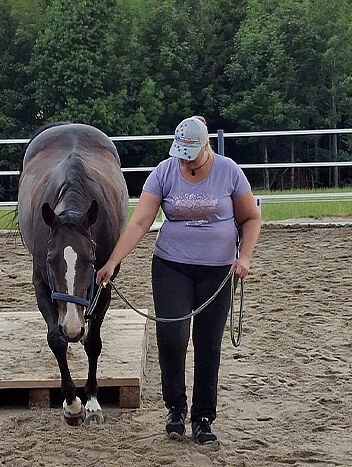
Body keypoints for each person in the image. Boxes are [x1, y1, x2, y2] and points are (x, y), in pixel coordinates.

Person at [96, 116, 261, 444]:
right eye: (181, 152)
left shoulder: (228, 171)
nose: (185, 160)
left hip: (218, 271)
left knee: (208, 342)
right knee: (171, 337)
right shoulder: (165, 171)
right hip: (171, 266)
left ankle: (202, 416)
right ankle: (175, 408)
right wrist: (113, 261)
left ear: (205, 146)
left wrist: (245, 257)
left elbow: (251, 217)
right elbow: (140, 221)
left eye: (191, 153)